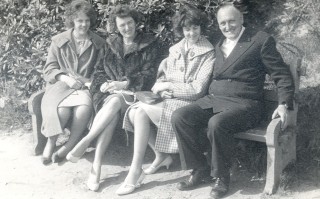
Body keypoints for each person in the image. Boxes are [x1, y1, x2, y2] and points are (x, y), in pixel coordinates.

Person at [171, 3, 295, 199]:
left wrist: (283, 104)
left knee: (216, 123)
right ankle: (199, 169)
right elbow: (190, 45)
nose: (227, 27)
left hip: (246, 104)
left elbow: (282, 75)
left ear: (242, 19)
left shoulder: (259, 40)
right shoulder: (218, 41)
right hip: (215, 99)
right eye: (223, 23)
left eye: (231, 21)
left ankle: (222, 177)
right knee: (180, 116)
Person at [117, 6, 216, 195]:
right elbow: (164, 78)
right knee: (138, 112)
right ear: (181, 30)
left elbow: (197, 90)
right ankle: (148, 163)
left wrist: (169, 88)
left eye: (195, 27)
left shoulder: (208, 52)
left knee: (140, 111)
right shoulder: (176, 49)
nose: (191, 33)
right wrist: (162, 90)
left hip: (192, 106)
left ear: (201, 27)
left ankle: (139, 170)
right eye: (187, 29)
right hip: (170, 101)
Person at [65, 4, 161, 192]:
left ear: (136, 22)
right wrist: (103, 84)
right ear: (116, 27)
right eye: (122, 25)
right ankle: (96, 165)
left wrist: (125, 84)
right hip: (109, 95)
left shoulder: (149, 43)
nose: (126, 28)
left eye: (129, 23)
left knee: (117, 100)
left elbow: (151, 74)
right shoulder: (111, 44)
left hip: (136, 94)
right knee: (113, 105)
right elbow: (99, 70)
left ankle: (90, 151)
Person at [40, 0, 105, 165]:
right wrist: (65, 77)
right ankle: (51, 143)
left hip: (84, 87)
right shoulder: (59, 41)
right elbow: (49, 69)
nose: (84, 24)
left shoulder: (98, 43)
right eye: (79, 20)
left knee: (83, 108)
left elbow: (100, 70)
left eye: (87, 20)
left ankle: (69, 145)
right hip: (60, 85)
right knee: (61, 112)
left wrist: (87, 81)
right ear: (72, 21)